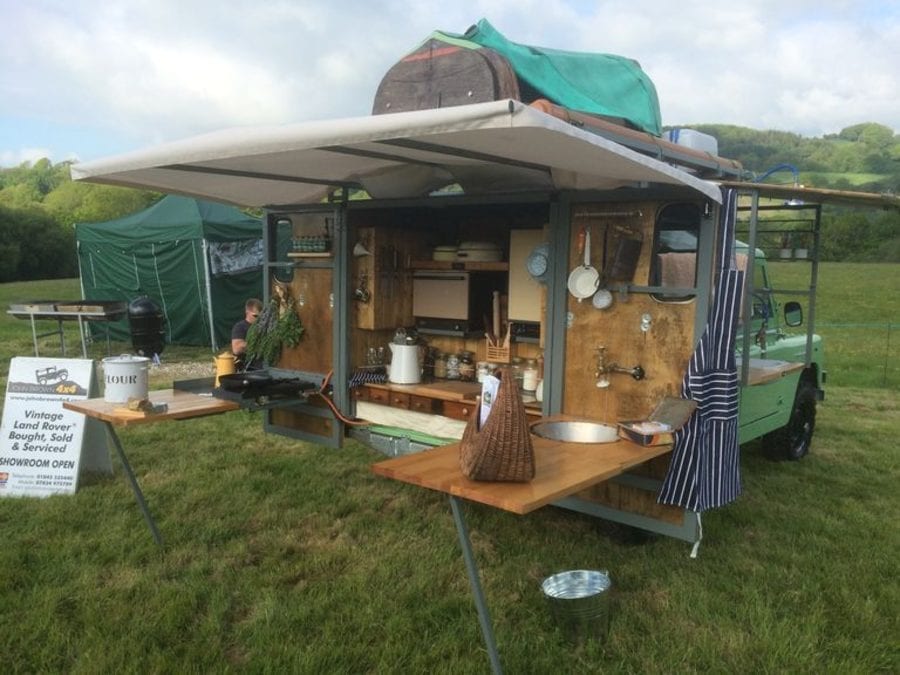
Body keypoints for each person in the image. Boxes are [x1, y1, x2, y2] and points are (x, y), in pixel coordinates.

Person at [231, 298, 263, 371]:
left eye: (261, 316)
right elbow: (236, 349)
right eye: (255, 316)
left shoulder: (263, 327)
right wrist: (259, 345)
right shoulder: (240, 327)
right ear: (247, 312)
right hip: (247, 369)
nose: (259, 319)